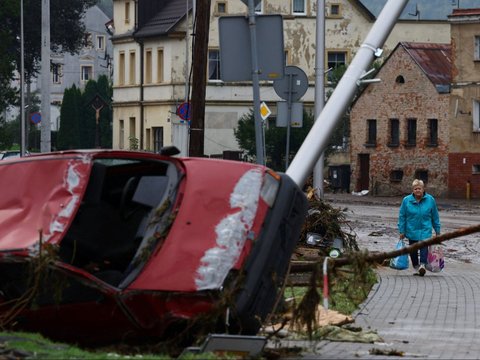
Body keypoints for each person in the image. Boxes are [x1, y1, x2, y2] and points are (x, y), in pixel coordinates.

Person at [398, 179, 441, 276]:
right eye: (415, 189)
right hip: (412, 230)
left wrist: (437, 231)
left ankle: (422, 265)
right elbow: (402, 216)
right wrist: (402, 231)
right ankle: (417, 267)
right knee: (413, 252)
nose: (418, 190)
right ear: (412, 190)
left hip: (425, 230)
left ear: (423, 189)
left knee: (424, 248)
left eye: (419, 188)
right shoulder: (406, 201)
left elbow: (435, 216)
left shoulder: (430, 200)